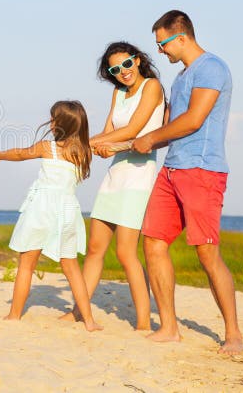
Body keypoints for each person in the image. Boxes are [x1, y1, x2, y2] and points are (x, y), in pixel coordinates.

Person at [133, 10, 243, 354]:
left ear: (181, 37)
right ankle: (169, 327)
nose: (160, 51)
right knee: (152, 242)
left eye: (162, 43)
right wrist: (127, 144)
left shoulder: (212, 68)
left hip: (202, 170)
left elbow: (194, 121)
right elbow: (167, 130)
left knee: (207, 253)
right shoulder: (180, 79)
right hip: (173, 169)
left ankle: (233, 334)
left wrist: (149, 139)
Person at [62, 42, 165, 330]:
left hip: (138, 176)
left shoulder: (152, 86)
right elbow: (109, 132)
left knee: (125, 253)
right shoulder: (118, 93)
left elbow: (133, 130)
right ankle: (78, 311)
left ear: (138, 59)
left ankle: (144, 323)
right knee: (95, 247)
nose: (123, 72)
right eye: (115, 69)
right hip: (115, 175)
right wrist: (99, 146)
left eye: (127, 64)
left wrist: (82, 143)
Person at [0, 101, 103, 331]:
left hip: (42, 208)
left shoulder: (46, 147)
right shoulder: (83, 152)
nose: (50, 123)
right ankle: (89, 320)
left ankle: (14, 315)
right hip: (67, 210)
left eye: (53, 119)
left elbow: (20, 154)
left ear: (59, 124)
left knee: (27, 264)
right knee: (71, 267)